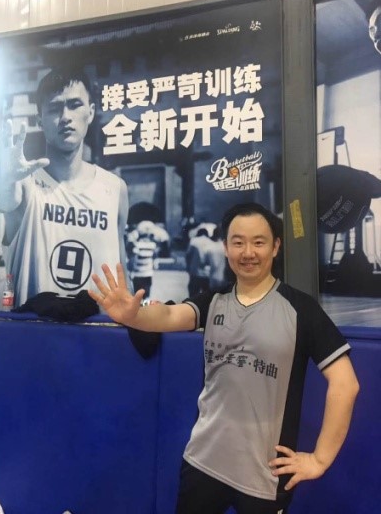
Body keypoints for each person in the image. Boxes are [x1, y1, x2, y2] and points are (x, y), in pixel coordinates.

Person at [89, 202, 359, 514]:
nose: (248, 252)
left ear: (275, 247)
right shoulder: (214, 301)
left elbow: (346, 384)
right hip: (202, 461)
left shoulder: (301, 310)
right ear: (226, 248)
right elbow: (169, 315)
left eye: (259, 242)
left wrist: (319, 459)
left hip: (264, 476)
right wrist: (133, 317)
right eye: (238, 242)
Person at [0, 65, 129, 307]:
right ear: (39, 120)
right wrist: (5, 181)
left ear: (91, 112)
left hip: (98, 328)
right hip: (33, 328)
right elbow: (8, 200)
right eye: (55, 108)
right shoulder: (24, 183)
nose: (66, 116)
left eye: (75, 105)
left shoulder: (115, 188)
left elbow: (122, 269)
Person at [185, 227, 213, 297]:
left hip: (195, 272)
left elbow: (188, 254)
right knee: (206, 296)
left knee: (193, 296)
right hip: (207, 273)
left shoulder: (193, 241)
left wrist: (188, 267)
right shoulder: (211, 242)